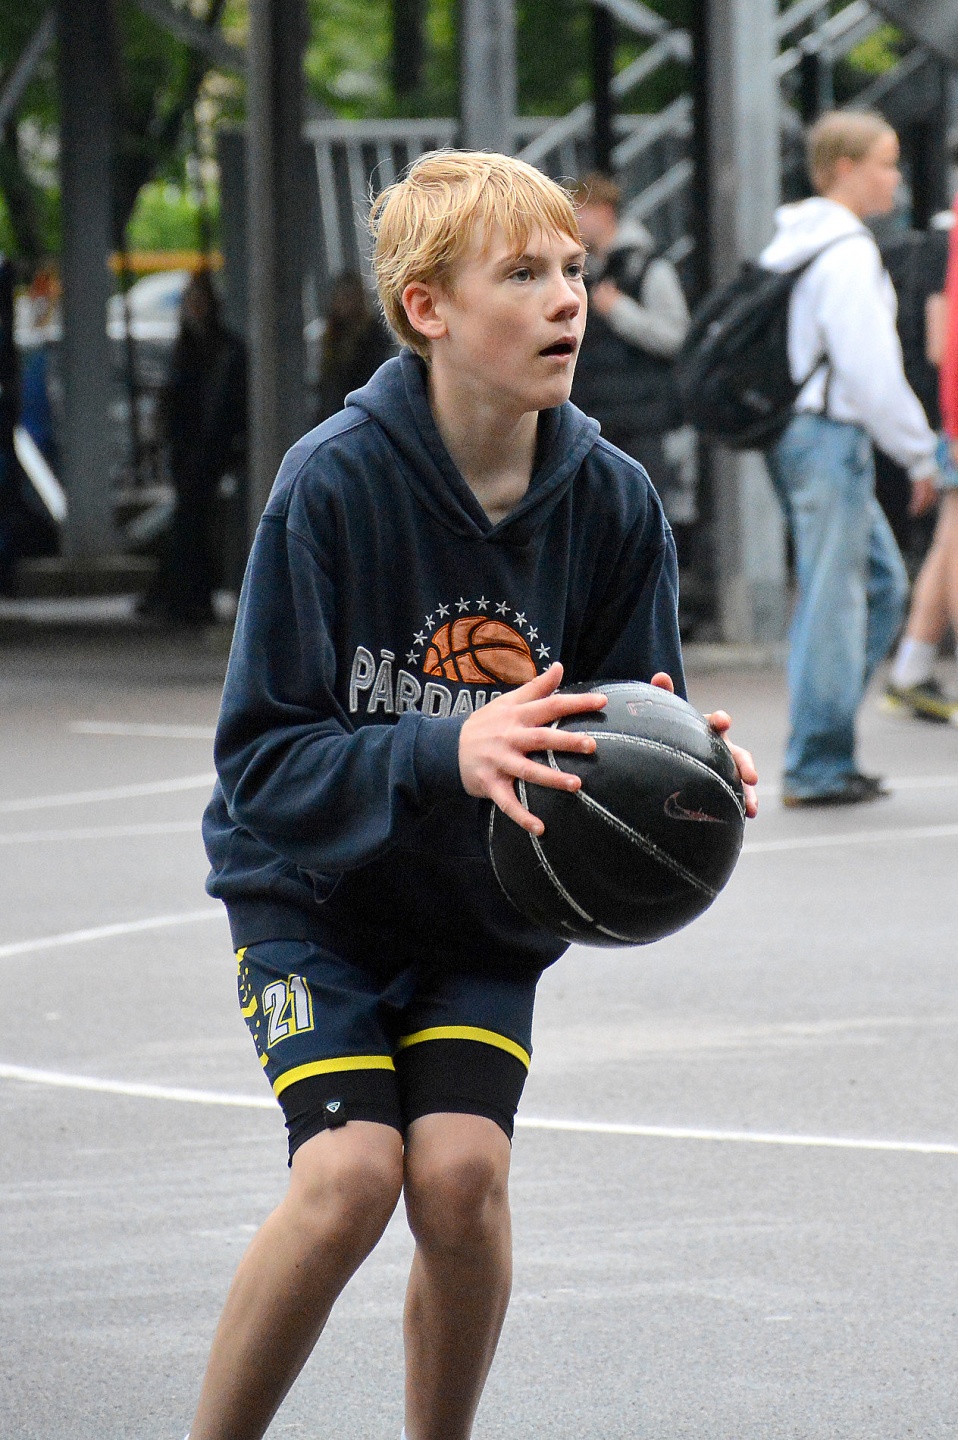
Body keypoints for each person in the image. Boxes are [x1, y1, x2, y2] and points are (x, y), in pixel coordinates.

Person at [191, 149, 757, 1440]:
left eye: (574, 270)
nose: (565, 299)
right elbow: (262, 763)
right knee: (349, 1176)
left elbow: (627, 719)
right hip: (313, 898)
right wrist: (447, 748)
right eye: (522, 274)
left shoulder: (611, 501)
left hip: (481, 907)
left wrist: (690, 775)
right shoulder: (331, 484)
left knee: (459, 1179)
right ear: (428, 308)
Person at [761, 111, 939, 807]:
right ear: (844, 168)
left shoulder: (797, 240)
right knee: (834, 601)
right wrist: (919, 453)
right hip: (830, 439)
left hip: (802, 435)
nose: (896, 177)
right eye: (885, 162)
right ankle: (816, 761)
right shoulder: (846, 251)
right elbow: (869, 369)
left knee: (880, 588)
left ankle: (824, 738)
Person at [569, 172, 689, 506]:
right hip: (595, 420)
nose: (575, 222)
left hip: (642, 424)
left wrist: (621, 311)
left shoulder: (649, 267)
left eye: (581, 211)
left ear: (606, 211)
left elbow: (677, 337)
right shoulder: (584, 270)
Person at [886, 193, 958, 722]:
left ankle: (912, 667)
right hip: (950, 413)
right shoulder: (946, 239)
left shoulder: (940, 235)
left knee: (949, 539)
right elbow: (940, 342)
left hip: (946, 412)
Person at [142, 269, 246, 628]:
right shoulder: (190, 348)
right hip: (189, 450)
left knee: (192, 522)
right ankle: (185, 596)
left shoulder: (219, 350)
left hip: (209, 450)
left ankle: (183, 596)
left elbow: (224, 406)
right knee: (191, 522)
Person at [315, 269, 394, 423]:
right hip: (336, 412)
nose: (345, 303)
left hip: (364, 411)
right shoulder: (332, 334)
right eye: (341, 297)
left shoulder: (372, 334)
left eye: (349, 297)